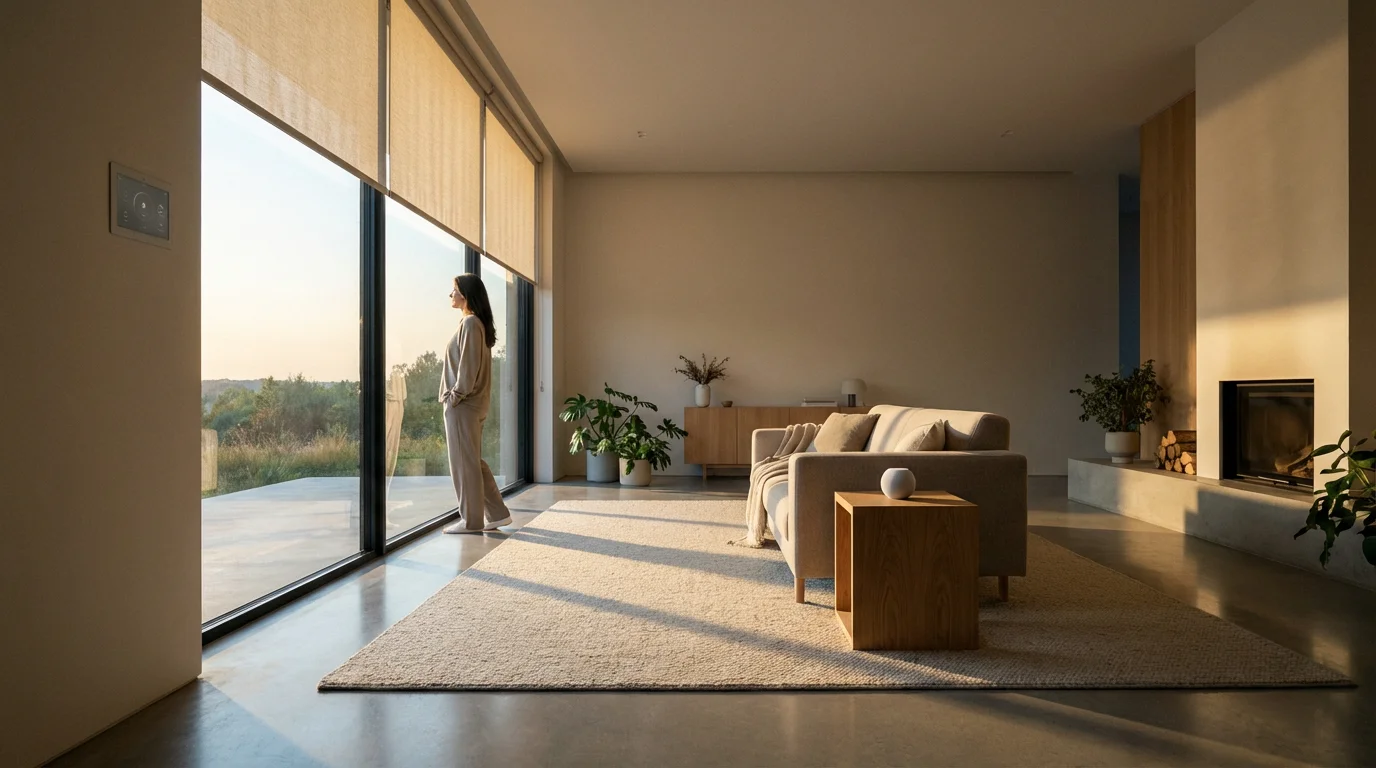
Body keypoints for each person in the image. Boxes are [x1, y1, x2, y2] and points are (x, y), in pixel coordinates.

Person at [439, 273, 512, 534]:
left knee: (463, 464)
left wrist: (454, 397)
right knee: (472, 462)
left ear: (467, 295)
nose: (451, 295)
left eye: (454, 290)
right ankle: (498, 514)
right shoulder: (476, 324)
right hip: (472, 405)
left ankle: (470, 521)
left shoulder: (470, 324)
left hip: (464, 406)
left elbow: (467, 371)